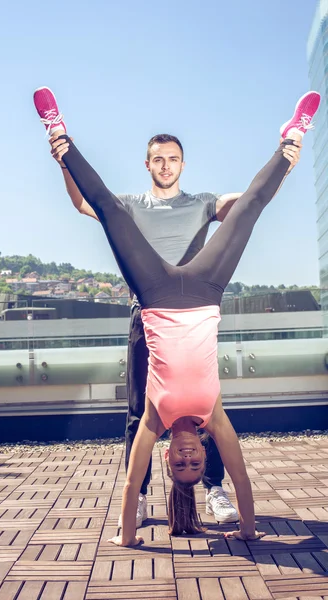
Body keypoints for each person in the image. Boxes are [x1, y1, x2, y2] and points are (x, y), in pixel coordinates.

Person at [33, 87, 319, 545]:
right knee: (111, 208)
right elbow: (86, 204)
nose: (165, 165)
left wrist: (126, 537)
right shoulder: (136, 204)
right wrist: (289, 155)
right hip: (199, 295)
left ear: (181, 164)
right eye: (158, 159)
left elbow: (249, 201)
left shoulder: (202, 201)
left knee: (244, 209)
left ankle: (58, 132)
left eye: (172, 159)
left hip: (156, 296)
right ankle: (291, 138)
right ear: (148, 164)